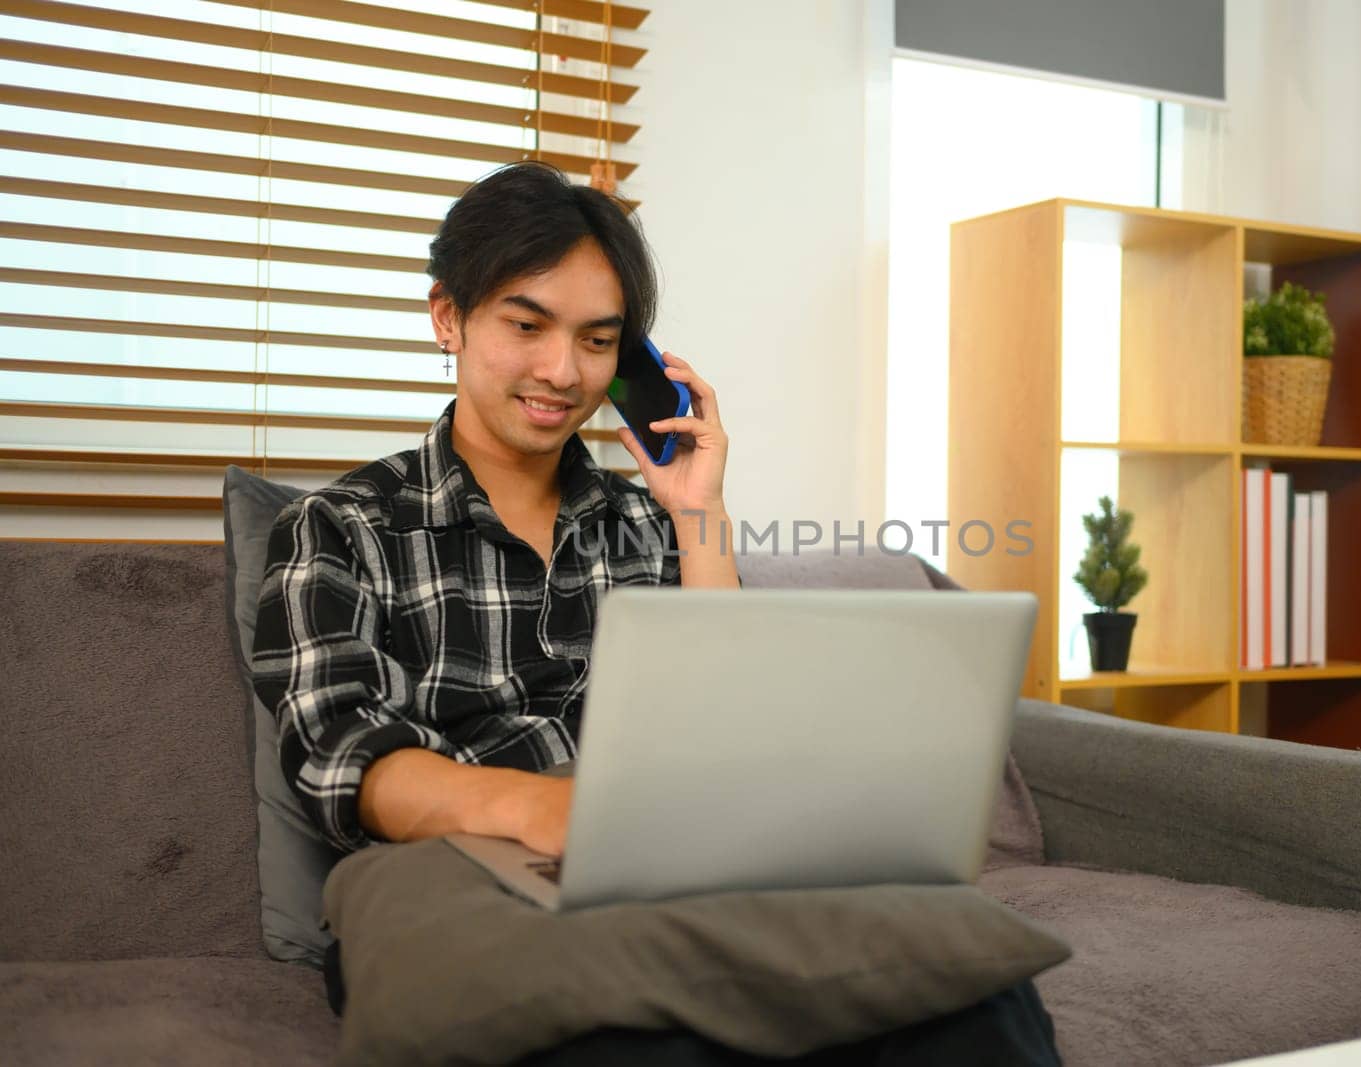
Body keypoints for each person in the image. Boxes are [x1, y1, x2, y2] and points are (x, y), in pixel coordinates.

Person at [251, 161, 1059, 1066]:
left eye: (598, 342)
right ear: (449, 317)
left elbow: (742, 721)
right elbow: (340, 759)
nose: (562, 371)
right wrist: (555, 812)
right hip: (465, 874)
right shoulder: (338, 528)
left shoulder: (645, 520)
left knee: (973, 988)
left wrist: (698, 508)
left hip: (671, 868)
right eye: (527, 325)